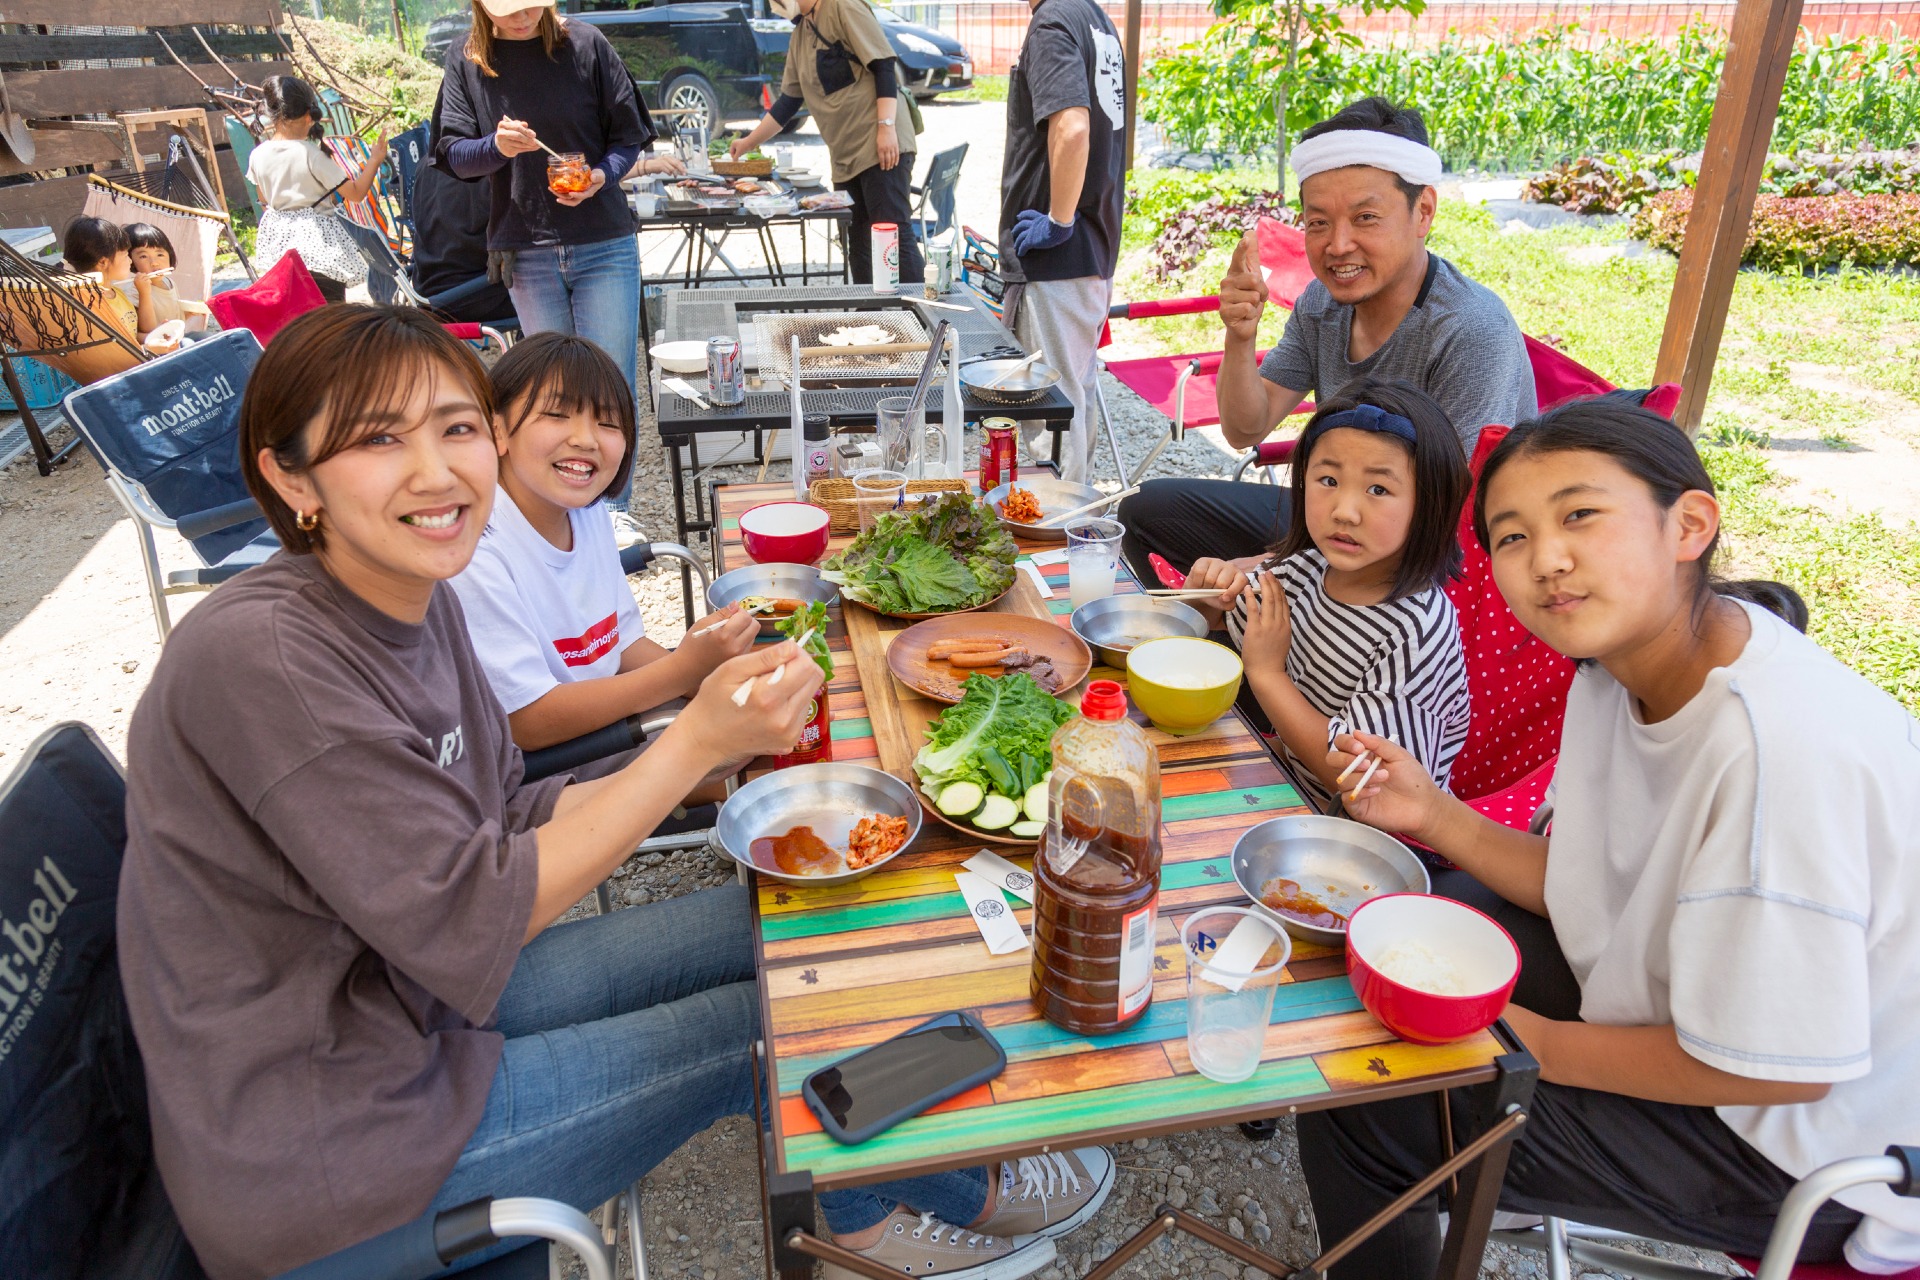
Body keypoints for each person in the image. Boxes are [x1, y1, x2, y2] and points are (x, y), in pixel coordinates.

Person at [116, 303, 1110, 1280]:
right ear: (290, 477)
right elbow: (473, 909)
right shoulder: (268, 658)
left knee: (789, 924)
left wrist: (703, 759)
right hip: (332, 1131)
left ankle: (931, 1164)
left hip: (410, 998)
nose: (435, 472)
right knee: (759, 1030)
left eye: (455, 427)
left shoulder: (415, 597)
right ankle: (899, 1218)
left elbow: (506, 810)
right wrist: (684, 752)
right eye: (380, 440)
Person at [1304, 398, 1920, 1278]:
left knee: (1372, 1095)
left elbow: (1779, 1069)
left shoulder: (1778, 751)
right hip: (1684, 1004)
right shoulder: (1612, 673)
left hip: (1808, 1145)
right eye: (1511, 537)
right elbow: (1591, 883)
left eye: (1580, 515)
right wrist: (1434, 814)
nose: (1546, 559)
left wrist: (1532, 1047)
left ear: (1690, 524)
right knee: (1416, 925)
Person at [1117, 96, 1536, 583]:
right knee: (1147, 512)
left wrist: (1281, 568)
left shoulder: (1469, 329)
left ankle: (1272, 650)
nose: (1338, 245)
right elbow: (1244, 429)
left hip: (1434, 558)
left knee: (1250, 583)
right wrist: (1240, 336)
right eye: (1318, 222)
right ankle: (1237, 646)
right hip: (1337, 515)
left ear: (1423, 211)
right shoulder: (1323, 303)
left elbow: (1450, 520)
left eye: (1365, 218)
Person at [432, 0, 684, 532]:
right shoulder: (468, 58)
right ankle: (563, 508)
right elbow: (454, 155)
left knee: (611, 383)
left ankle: (612, 514)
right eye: (508, 11)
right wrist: (495, 147)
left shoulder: (585, 45)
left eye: (530, 7)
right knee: (553, 392)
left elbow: (627, 137)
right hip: (525, 247)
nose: (520, 18)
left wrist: (599, 176)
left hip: (604, 241)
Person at [451, 332, 760, 752]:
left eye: (608, 422)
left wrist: (712, 682)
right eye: (557, 414)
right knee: (755, 750)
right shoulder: (474, 552)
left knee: (775, 713)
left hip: (606, 714)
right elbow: (528, 722)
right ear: (497, 430)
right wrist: (683, 673)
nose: (586, 438)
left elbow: (623, 644)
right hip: (544, 765)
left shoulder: (587, 511)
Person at [1181, 378, 1470, 808]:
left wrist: (1267, 674)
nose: (1344, 511)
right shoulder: (1307, 567)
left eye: (1378, 489)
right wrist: (1202, 606)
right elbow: (1225, 619)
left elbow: (1364, 784)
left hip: (1364, 840)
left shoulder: (1417, 631)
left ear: (1430, 504)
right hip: (1292, 785)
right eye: (1328, 479)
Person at [997, 0, 1127, 485]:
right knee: (1075, 396)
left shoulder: (1052, 21)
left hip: (1056, 259)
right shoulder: (1094, 18)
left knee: (1051, 412)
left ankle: (1060, 532)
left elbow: (1073, 128)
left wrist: (1058, 219)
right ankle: (1075, 518)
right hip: (1091, 250)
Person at [728, 0, 923, 288]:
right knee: (856, 238)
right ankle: (870, 316)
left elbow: (883, 65)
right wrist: (747, 142)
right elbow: (788, 103)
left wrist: (886, 128)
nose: (774, 4)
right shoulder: (801, 33)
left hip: (879, 144)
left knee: (891, 233)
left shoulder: (843, 6)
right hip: (846, 157)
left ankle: (919, 317)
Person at [246, 74, 387, 304]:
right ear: (308, 116)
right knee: (329, 314)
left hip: (279, 250)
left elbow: (263, 198)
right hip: (319, 249)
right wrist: (375, 160)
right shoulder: (309, 154)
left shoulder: (258, 154)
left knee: (297, 313)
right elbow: (356, 193)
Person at [124, 221, 212, 335]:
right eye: (143, 256)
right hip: (160, 347)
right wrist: (144, 293)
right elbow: (148, 330)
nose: (154, 263)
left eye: (160, 254)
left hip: (176, 338)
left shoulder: (169, 282)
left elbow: (173, 320)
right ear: (130, 260)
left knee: (206, 336)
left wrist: (189, 313)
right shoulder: (133, 290)